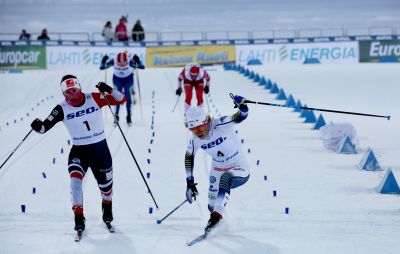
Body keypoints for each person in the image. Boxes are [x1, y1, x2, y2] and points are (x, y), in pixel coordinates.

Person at [30, 75, 126, 234]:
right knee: (75, 182)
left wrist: (108, 89)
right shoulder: (61, 108)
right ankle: (78, 217)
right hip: (79, 152)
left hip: (100, 150)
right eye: (67, 92)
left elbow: (121, 99)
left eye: (74, 90)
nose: (72, 95)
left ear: (79, 88)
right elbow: (43, 128)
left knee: (106, 188)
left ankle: (107, 207)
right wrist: (37, 126)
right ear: (63, 94)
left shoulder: (94, 98)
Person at [183, 95, 250, 233]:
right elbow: (189, 157)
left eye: (200, 128)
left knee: (226, 178)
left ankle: (216, 217)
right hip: (218, 169)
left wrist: (242, 106)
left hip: (239, 167)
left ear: (207, 121)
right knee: (212, 206)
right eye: (194, 130)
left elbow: (240, 116)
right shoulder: (195, 139)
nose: (198, 133)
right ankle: (219, 223)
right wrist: (189, 182)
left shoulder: (221, 124)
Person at [100, 52, 145, 125]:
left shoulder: (130, 61)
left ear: (126, 61)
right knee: (117, 97)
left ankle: (129, 116)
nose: (121, 66)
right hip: (117, 79)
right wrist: (103, 60)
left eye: (123, 64)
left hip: (128, 78)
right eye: (119, 64)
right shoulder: (113, 61)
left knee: (128, 97)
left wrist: (138, 60)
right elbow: (102, 67)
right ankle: (116, 115)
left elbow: (142, 67)